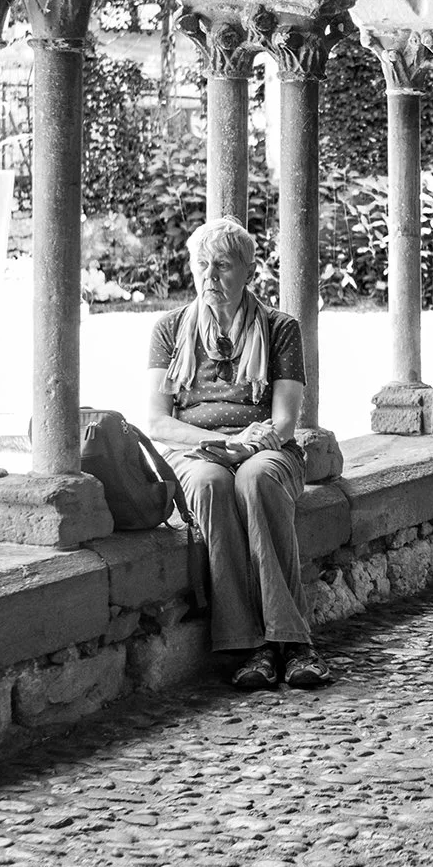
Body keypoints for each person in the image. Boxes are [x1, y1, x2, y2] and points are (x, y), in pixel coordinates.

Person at [146, 216, 328, 691]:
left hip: (264, 447)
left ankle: (290, 642)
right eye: (201, 265)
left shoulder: (279, 328)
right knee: (210, 485)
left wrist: (246, 444)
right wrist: (214, 446)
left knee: (257, 479)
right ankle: (247, 645)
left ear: (249, 271)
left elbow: (286, 419)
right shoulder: (170, 329)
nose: (209, 276)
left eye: (222, 265)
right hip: (198, 451)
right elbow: (158, 422)